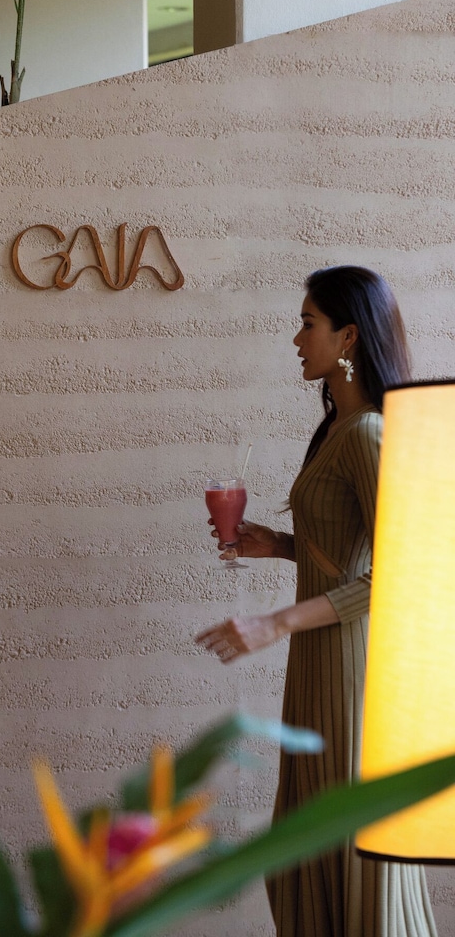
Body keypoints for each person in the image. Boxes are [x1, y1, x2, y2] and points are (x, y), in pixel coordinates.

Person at [196, 266, 437, 937]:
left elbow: (400, 574)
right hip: (320, 663)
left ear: (348, 336)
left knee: (349, 843)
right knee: (309, 844)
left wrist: (275, 622)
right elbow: (347, 553)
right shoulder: (339, 429)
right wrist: (281, 545)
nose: (297, 339)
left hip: (354, 670)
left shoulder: (368, 433)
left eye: (309, 323)